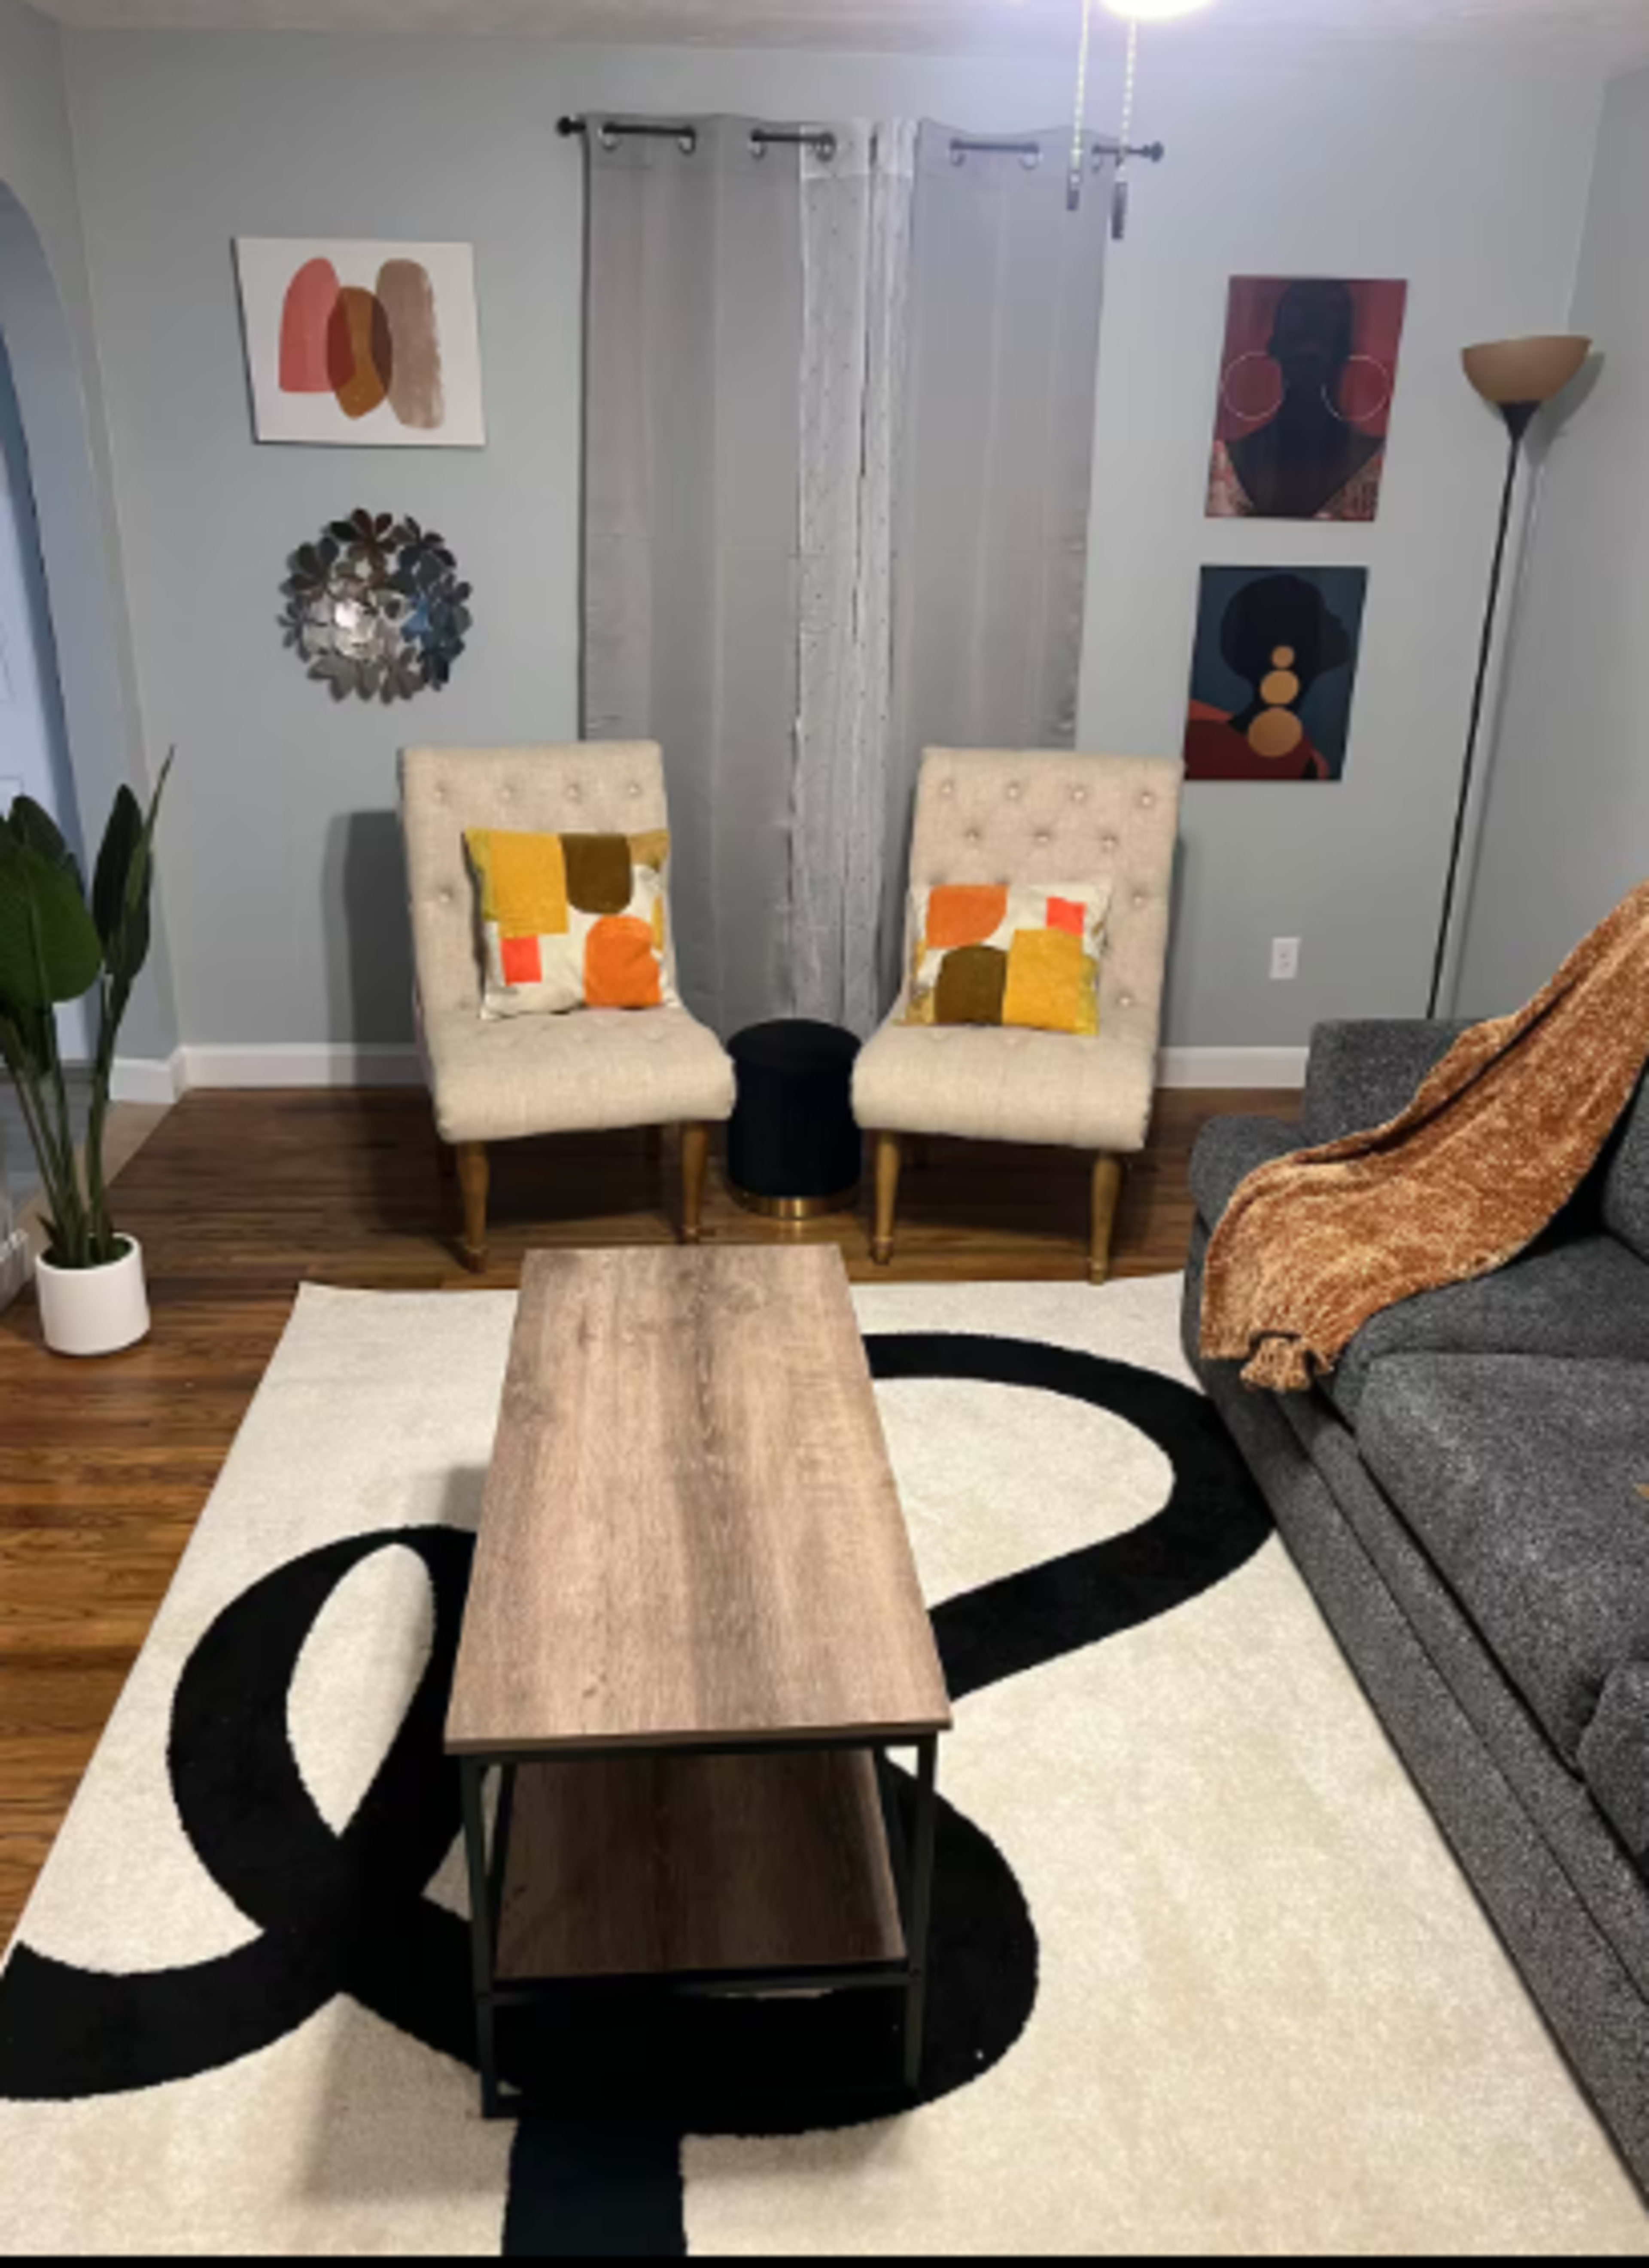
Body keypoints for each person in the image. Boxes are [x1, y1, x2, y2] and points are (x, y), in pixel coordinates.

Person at [1208, 279, 1385, 521]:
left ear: (1346, 351)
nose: (1310, 349)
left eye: (1323, 334)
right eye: (1299, 333)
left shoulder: (1377, 459)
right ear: (1274, 346)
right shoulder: (1226, 457)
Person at [1184, 571, 1351, 782]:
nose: (1336, 619)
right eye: (1321, 614)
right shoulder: (1206, 742)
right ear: (1286, 649)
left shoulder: (1310, 760)